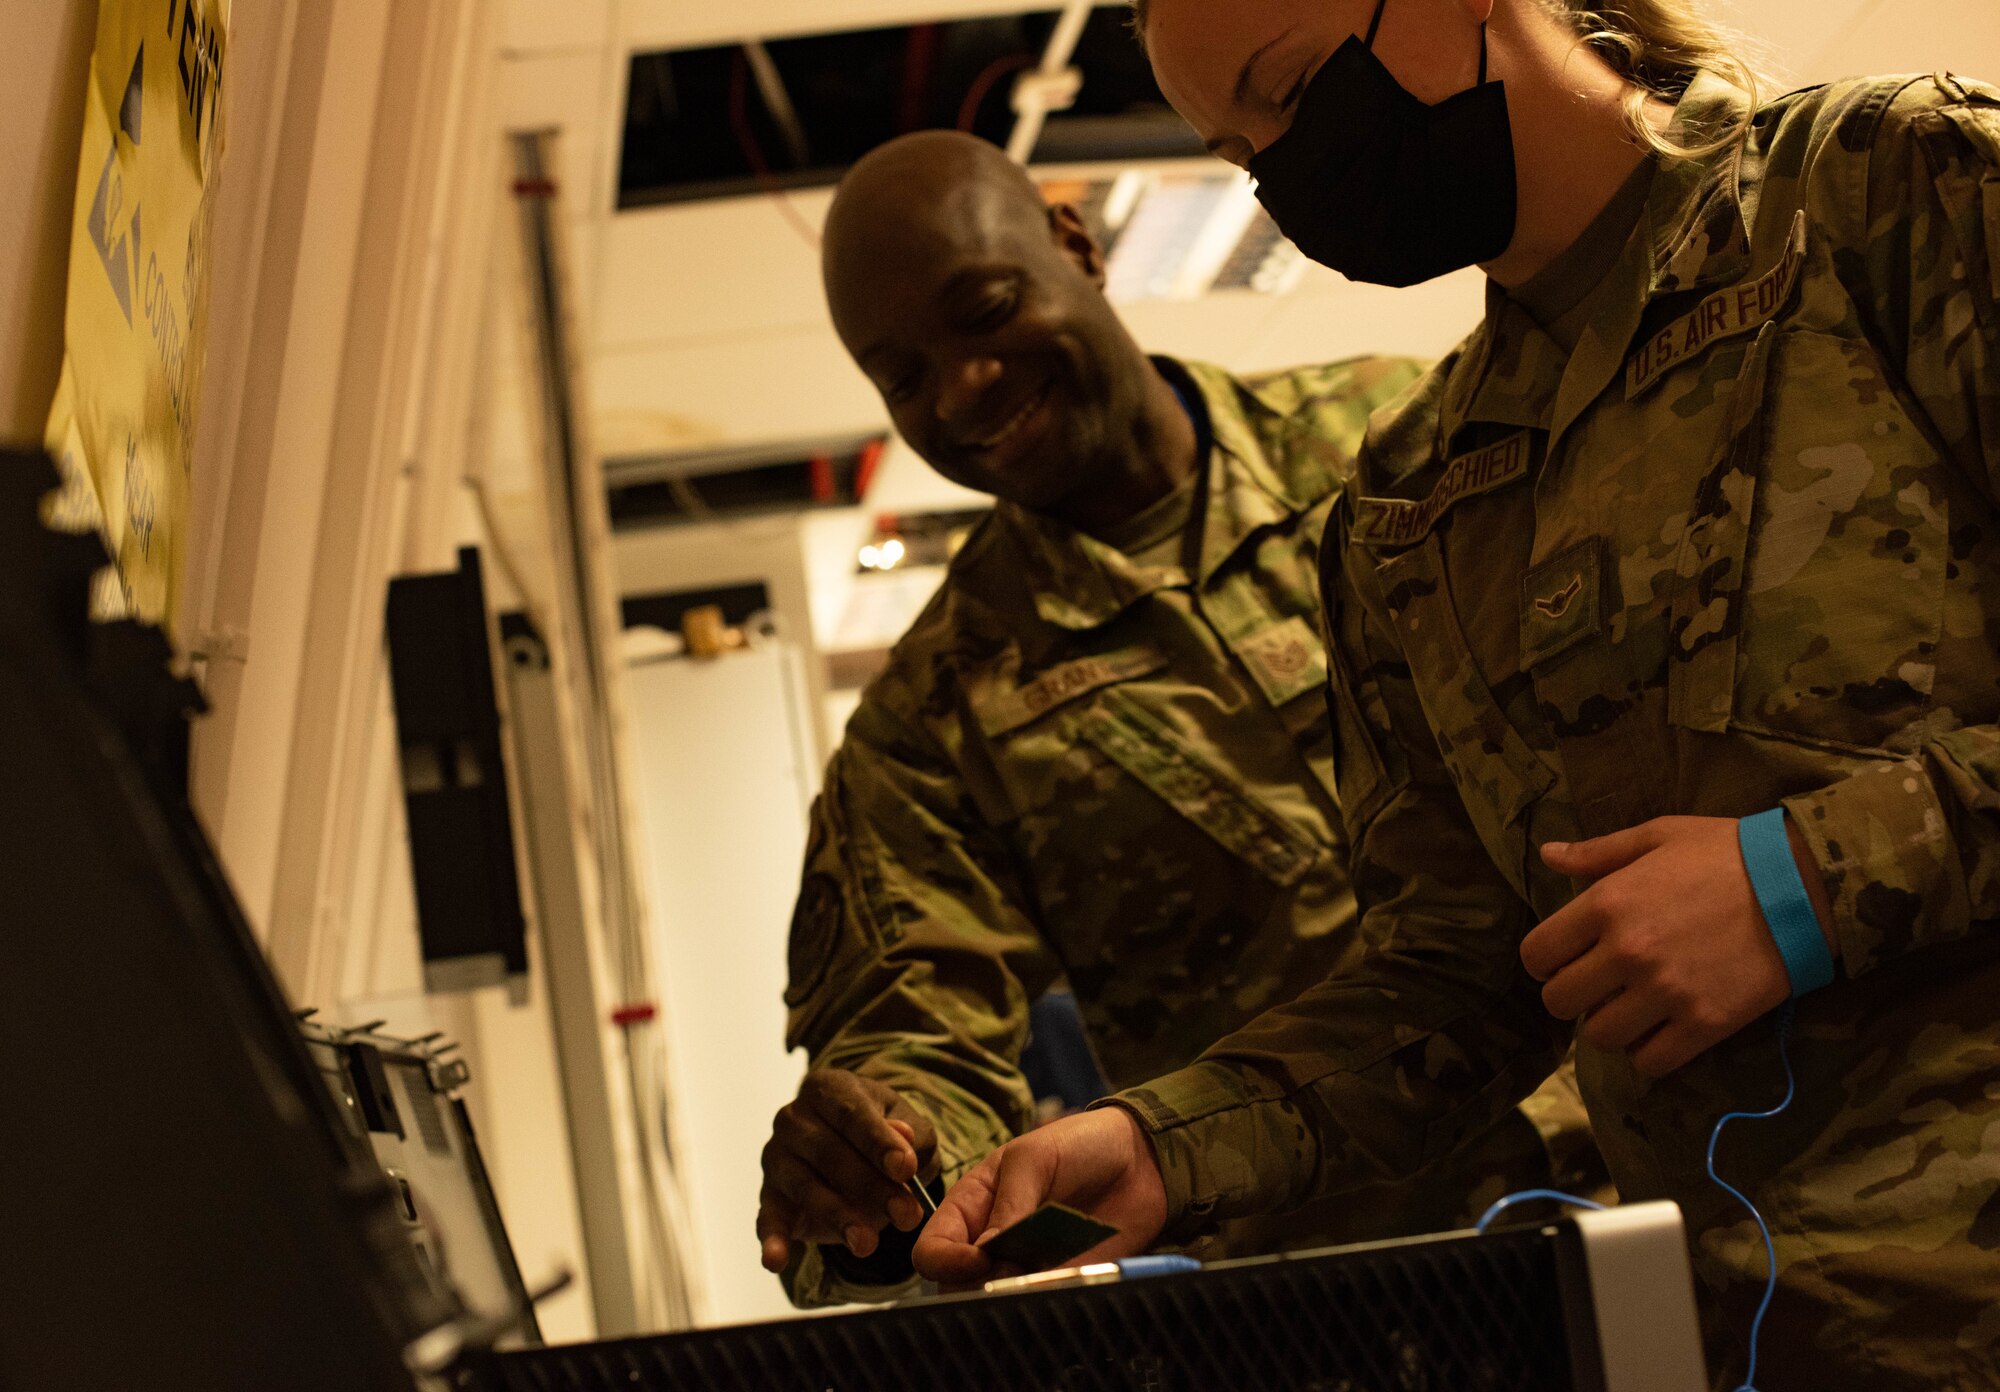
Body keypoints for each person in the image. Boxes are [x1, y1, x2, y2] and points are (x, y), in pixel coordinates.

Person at [914, 2, 2000, 1387]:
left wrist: (1811, 884)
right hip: (1758, 1343)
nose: (1296, 178)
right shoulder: (1412, 506)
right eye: (1244, 152)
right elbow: (1468, 978)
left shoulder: (1884, 194)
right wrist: (1163, 1145)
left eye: (1297, 90)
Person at [760, 128, 1605, 1308]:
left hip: (1689, 1151)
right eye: (901, 376)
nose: (960, 388)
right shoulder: (930, 724)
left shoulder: (1397, 440)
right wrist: (881, 1150)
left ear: (1074, 244)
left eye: (985, 309)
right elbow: (922, 1030)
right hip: (1349, 1296)